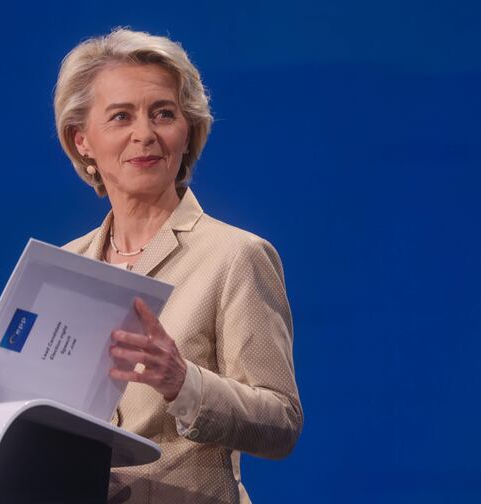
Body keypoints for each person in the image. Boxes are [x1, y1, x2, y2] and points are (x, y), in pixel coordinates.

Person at [54, 29, 303, 503]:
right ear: (82, 139)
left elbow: (281, 423)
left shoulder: (235, 255)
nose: (144, 134)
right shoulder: (66, 265)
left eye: (163, 113)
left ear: (186, 130)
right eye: (121, 116)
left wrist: (182, 381)